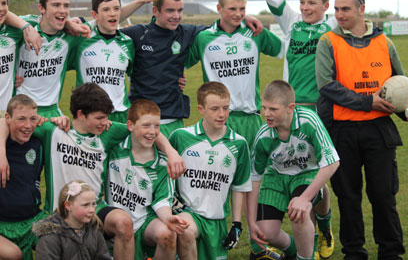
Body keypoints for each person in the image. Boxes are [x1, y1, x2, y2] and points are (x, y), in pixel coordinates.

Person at [0, 83, 184, 260]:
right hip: (58, 211)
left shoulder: (108, 132)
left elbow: (146, 128)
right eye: (99, 118)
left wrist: (171, 152)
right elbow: (5, 121)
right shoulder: (52, 130)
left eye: (106, 117)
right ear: (80, 114)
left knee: (123, 222)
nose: (105, 123)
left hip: (95, 208)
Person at [315, 0, 408, 260]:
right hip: (342, 130)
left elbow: (399, 86)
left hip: (379, 131)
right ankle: (354, 253)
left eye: (346, 9)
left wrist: (407, 111)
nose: (339, 14)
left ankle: (391, 253)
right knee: (348, 199)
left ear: (361, 9)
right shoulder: (328, 41)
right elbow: (327, 85)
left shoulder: (384, 42)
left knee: (384, 197)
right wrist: (367, 101)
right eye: (337, 9)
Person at [264, 0, 352, 259]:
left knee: (316, 175)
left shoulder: (332, 28)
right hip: (289, 111)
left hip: (320, 111)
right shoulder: (292, 24)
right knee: (299, 173)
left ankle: (323, 224)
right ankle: (310, 241)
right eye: (302, 2)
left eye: (311, 3)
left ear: (326, 6)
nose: (304, 8)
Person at [120, 0, 263, 137]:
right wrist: (142, 1)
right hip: (142, 120)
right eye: (170, 10)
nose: (176, 16)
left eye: (180, 10)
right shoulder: (137, 34)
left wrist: (241, 17)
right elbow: (109, 23)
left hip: (174, 121)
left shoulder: (188, 32)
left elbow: (223, 26)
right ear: (155, 11)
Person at [246, 80, 339, 260]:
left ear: (290, 108)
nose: (266, 113)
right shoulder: (264, 135)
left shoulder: (309, 121)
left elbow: (332, 162)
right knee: (267, 233)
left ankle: (319, 232)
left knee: (300, 212)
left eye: (273, 109)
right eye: (264, 108)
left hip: (306, 174)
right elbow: (254, 177)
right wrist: (251, 222)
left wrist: (304, 199)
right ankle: (292, 252)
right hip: (276, 177)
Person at [185, 0, 283, 149]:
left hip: (251, 119)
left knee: (253, 174)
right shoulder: (204, 38)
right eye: (232, 9)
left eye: (242, 8)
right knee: (221, 172)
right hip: (219, 118)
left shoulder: (255, 33)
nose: (238, 14)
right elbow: (179, 64)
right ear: (219, 8)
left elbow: (285, 51)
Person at [169, 82, 252, 260]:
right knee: (186, 231)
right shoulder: (181, 137)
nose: (221, 114)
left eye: (225, 108)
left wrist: (237, 224)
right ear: (201, 109)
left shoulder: (239, 144)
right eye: (214, 109)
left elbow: (239, 186)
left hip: (217, 221)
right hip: (188, 214)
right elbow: (165, 176)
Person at [106, 99, 189, 259]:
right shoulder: (114, 148)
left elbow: (162, 201)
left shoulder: (164, 163)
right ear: (130, 126)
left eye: (157, 126)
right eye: (146, 125)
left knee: (168, 234)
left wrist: (168, 218)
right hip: (115, 221)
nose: (152, 131)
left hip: (145, 221)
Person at [9, 0, 89, 118]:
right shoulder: (23, 27)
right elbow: (4, 14)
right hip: (19, 111)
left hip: (52, 113)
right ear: (41, 8)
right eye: (56, 5)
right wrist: (25, 27)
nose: (62, 10)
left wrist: (72, 23)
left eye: (66, 6)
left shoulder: (71, 36)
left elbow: (104, 27)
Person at [70, 0, 135, 123]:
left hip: (120, 115)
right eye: (106, 10)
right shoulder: (81, 38)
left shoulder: (128, 43)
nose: (113, 14)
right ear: (95, 15)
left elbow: (137, 76)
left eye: (116, 9)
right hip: (89, 115)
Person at [0, 94, 47, 260]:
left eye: (32, 119)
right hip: (2, 224)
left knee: (64, 240)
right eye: (21, 119)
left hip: (32, 220)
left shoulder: (38, 143)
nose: (28, 126)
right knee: (14, 255)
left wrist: (60, 120)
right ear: (8, 118)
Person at [32, 180, 110, 260]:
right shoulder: (50, 237)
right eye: (86, 205)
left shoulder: (94, 230)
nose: (92, 210)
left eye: (93, 204)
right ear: (68, 205)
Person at [0, 0, 43, 112]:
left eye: (4, 3)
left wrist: (25, 26)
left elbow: (49, 20)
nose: (1, 9)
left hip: (6, 115)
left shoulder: (12, 31)